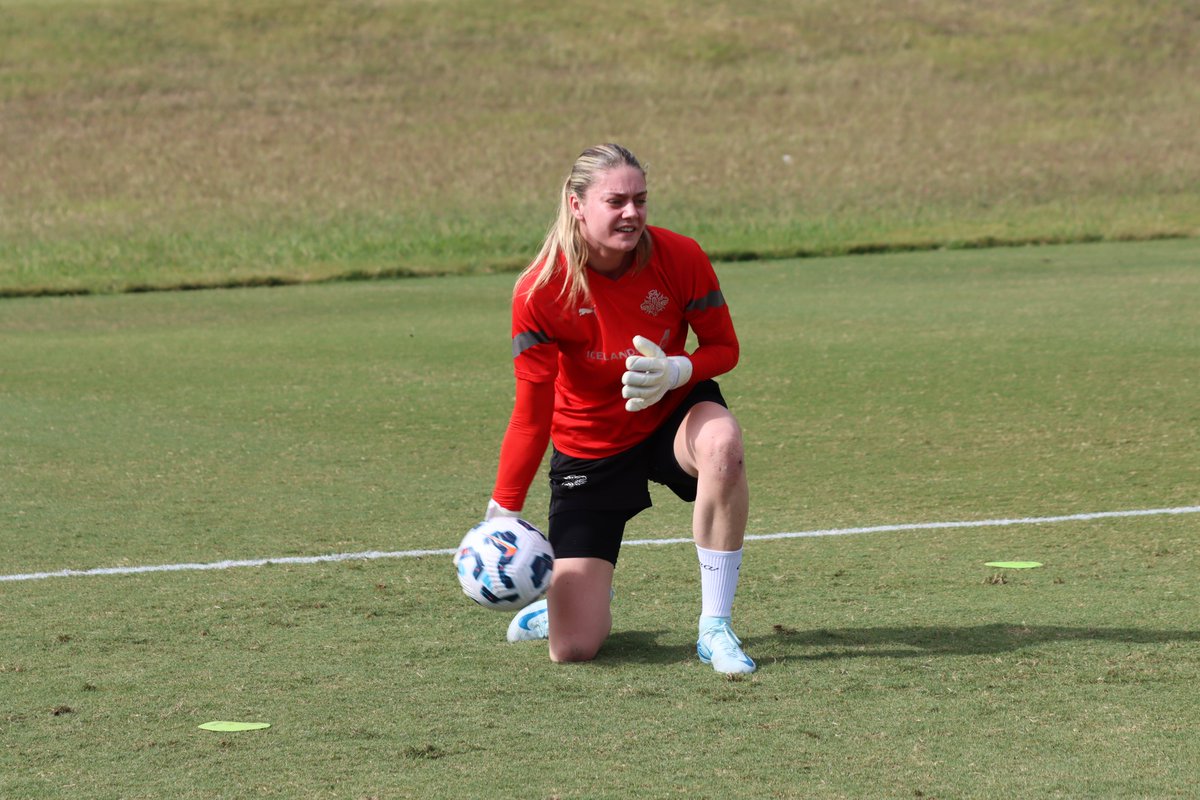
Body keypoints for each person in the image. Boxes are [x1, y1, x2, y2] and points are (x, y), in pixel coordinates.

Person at [485, 143, 755, 674]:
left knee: (723, 444)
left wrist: (677, 370)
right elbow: (531, 413)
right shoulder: (540, 291)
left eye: (640, 199)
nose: (632, 213)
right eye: (616, 201)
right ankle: (572, 602)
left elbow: (725, 348)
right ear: (577, 204)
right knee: (573, 649)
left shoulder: (681, 256)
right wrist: (504, 509)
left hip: (670, 413)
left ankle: (715, 627)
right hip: (591, 444)